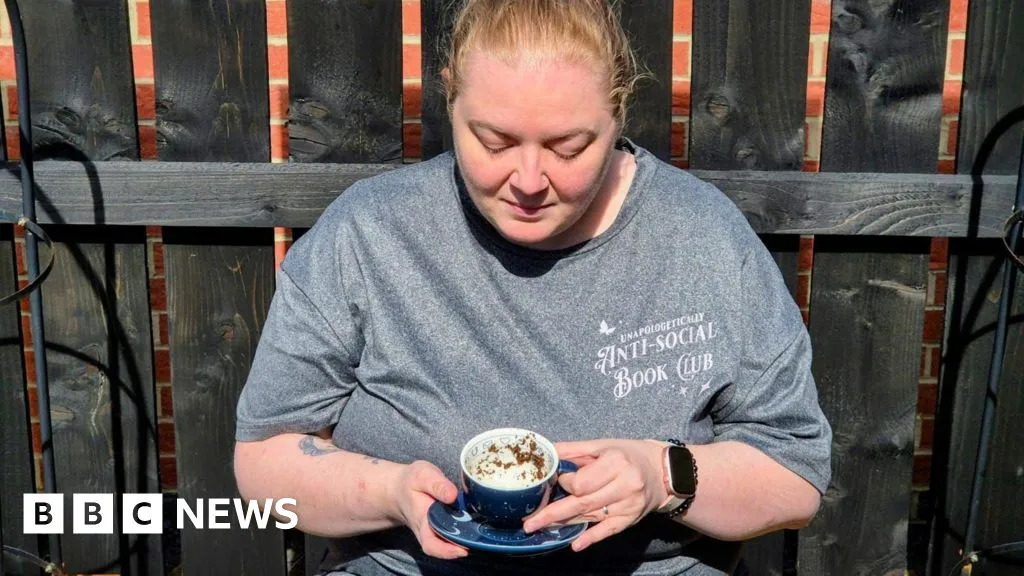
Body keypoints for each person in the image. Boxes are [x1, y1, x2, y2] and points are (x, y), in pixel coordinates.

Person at [232, 1, 833, 574]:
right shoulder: (370, 233)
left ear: (618, 113)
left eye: (567, 147)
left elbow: (795, 472)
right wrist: (389, 493)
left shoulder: (701, 238)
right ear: (450, 96)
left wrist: (663, 476)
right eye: (492, 141)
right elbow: (264, 461)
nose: (527, 181)